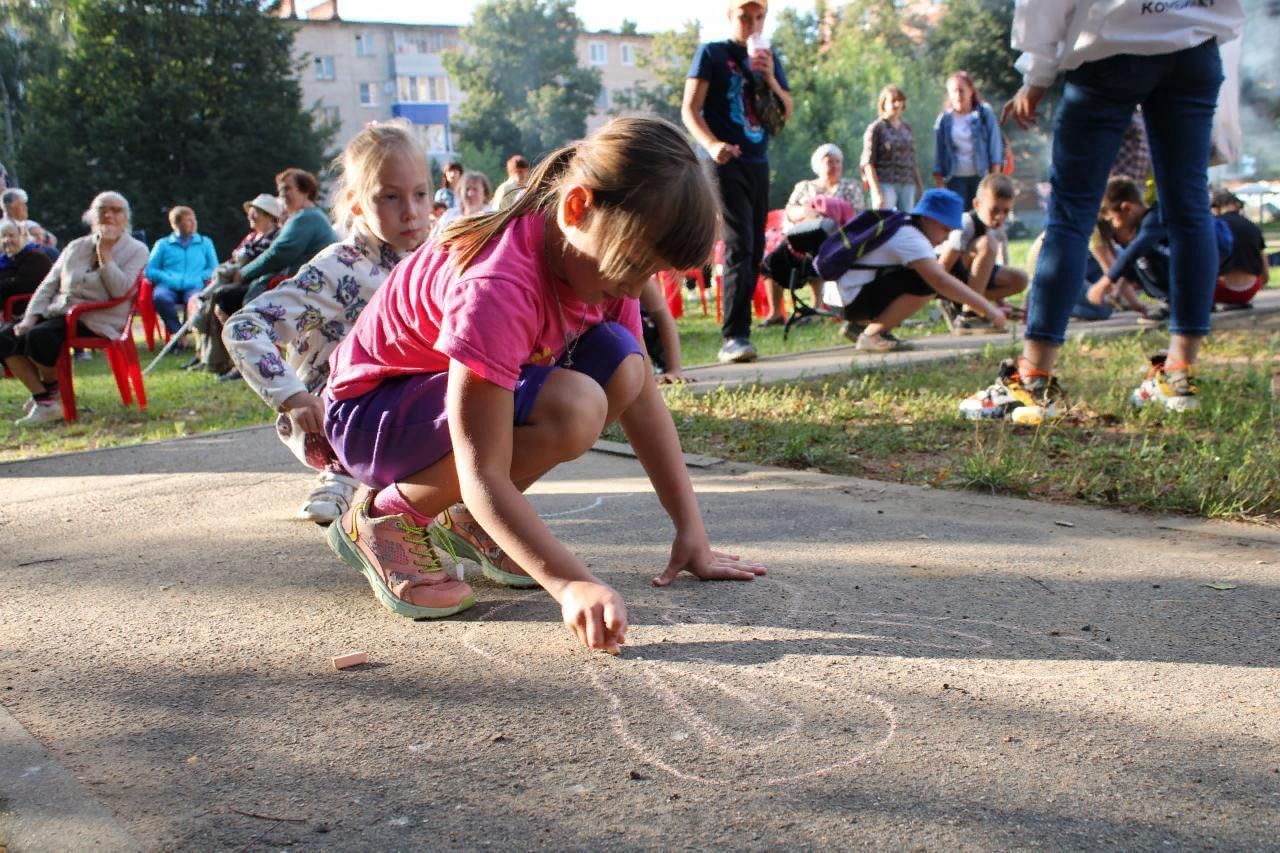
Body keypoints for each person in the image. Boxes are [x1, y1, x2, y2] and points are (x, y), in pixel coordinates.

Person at [321, 116, 766, 651]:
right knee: (572, 408)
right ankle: (385, 517)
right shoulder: (498, 284)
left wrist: (690, 530)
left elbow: (643, 397)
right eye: (632, 268)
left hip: (432, 402)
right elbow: (480, 467)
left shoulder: (603, 258)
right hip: (372, 414)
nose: (634, 287)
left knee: (624, 366)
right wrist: (570, 582)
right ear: (577, 207)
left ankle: (471, 523)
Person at [960, 0, 1245, 421]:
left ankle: (1033, 381)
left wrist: (1037, 73)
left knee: (1071, 216)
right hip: (1195, 47)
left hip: (1112, 42)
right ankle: (1179, 374)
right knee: (1189, 212)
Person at [224, 121, 429, 524]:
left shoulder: (430, 258)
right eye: (390, 197)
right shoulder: (340, 268)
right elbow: (244, 327)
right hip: (336, 417)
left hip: (403, 410)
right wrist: (293, 397)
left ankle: (432, 490)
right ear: (356, 204)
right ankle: (341, 475)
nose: (411, 212)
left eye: (420, 194)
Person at [682, 0, 793, 365]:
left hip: (758, 162)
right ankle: (734, 336)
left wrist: (770, 77)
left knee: (755, 244)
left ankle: (742, 332)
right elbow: (690, 108)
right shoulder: (712, 53)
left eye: (759, 16)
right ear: (731, 16)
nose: (752, 23)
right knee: (737, 243)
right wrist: (712, 145)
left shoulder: (768, 55)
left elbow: (785, 112)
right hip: (724, 162)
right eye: (745, 16)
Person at [0, 192, 147, 426]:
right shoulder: (76, 246)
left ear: (125, 217)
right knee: (7, 336)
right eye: (102, 210)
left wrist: (105, 255)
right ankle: (46, 399)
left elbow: (120, 291)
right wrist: (29, 317)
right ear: (91, 216)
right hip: (61, 312)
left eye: (115, 210)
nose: (108, 215)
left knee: (40, 336)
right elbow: (49, 284)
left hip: (99, 318)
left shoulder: (136, 250)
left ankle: (51, 396)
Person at [820, 188, 1007, 352]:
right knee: (927, 282)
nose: (946, 238)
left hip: (843, 296)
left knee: (923, 276)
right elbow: (940, 280)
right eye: (945, 229)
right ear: (927, 218)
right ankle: (873, 335)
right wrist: (989, 310)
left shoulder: (903, 225)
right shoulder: (912, 238)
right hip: (850, 299)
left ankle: (860, 327)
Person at [213, 168, 337, 381]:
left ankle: (259, 363)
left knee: (226, 300)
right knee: (225, 299)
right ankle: (250, 362)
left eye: (287, 189)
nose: (282, 195)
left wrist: (244, 273)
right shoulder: (304, 217)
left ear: (305, 191)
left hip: (308, 289)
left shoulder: (307, 218)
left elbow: (278, 254)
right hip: (301, 284)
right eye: (280, 190)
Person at [759, 143, 863, 326]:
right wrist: (808, 213)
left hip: (836, 240)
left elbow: (856, 216)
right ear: (818, 165)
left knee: (818, 254)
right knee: (773, 260)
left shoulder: (851, 186)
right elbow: (790, 211)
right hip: (801, 238)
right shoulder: (805, 186)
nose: (835, 166)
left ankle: (816, 310)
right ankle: (776, 313)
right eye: (829, 162)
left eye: (838, 162)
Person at [183, 194, 282, 374]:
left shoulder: (276, 236)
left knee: (219, 298)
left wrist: (239, 271)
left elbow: (268, 264)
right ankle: (207, 357)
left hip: (257, 285)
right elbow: (233, 259)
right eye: (250, 212)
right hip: (237, 282)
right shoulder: (251, 237)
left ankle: (226, 361)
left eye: (255, 212)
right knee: (203, 301)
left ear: (268, 215)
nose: (250, 216)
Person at [936, 173, 1028, 333]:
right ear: (977, 205)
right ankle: (969, 315)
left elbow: (989, 268)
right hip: (947, 275)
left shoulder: (999, 229)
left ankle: (963, 306)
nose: (1000, 217)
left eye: (1006, 211)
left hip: (969, 279)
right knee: (987, 244)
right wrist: (944, 292)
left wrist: (1002, 305)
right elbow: (943, 266)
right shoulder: (965, 224)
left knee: (1020, 279)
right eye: (994, 210)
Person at [932, 71, 1003, 211]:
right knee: (959, 220)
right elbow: (938, 153)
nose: (958, 95)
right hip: (954, 178)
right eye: (954, 91)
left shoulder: (984, 114)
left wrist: (995, 177)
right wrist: (939, 182)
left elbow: (995, 145)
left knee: (981, 218)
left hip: (982, 176)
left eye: (961, 90)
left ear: (971, 91)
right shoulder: (944, 120)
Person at [145, 205, 218, 336]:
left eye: (194, 219)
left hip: (194, 285)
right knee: (160, 297)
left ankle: (187, 332)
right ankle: (178, 334)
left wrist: (200, 277)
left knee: (195, 300)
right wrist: (166, 277)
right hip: (168, 285)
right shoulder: (162, 244)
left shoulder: (205, 243)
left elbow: (213, 268)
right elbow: (150, 270)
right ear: (176, 224)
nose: (193, 223)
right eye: (188, 220)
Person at [861, 85, 925, 212]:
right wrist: (877, 192)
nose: (897, 104)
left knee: (906, 221)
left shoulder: (906, 127)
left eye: (899, 100)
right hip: (885, 183)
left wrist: (920, 187)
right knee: (885, 220)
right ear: (884, 103)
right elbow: (868, 163)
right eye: (893, 101)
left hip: (907, 183)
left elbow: (912, 159)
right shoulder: (876, 128)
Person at [1211, 188, 1268, 309]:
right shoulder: (1253, 227)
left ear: (1216, 207)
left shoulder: (1216, 225)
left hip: (1219, 290)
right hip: (1250, 290)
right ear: (1237, 205)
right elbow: (1264, 265)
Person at [638, 277, 693, 384]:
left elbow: (664, 317)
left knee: (645, 324)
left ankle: (663, 366)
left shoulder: (640, 277)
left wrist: (674, 369)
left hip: (642, 329)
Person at [0, 220, 54, 317]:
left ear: (22, 237)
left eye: (11, 236)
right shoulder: (6, 259)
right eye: (3, 237)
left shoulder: (35, 257)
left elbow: (19, 285)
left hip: (31, 309)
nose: (7, 240)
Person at [431, 170, 493, 235]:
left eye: (475, 189)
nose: (470, 193)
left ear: (485, 194)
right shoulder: (449, 215)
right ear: (460, 192)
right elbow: (434, 239)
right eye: (467, 189)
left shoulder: (492, 217)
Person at [2, 188, 58, 253]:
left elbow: (53, 239)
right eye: (22, 204)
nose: (25, 207)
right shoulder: (4, 228)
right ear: (11, 207)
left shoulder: (27, 224)